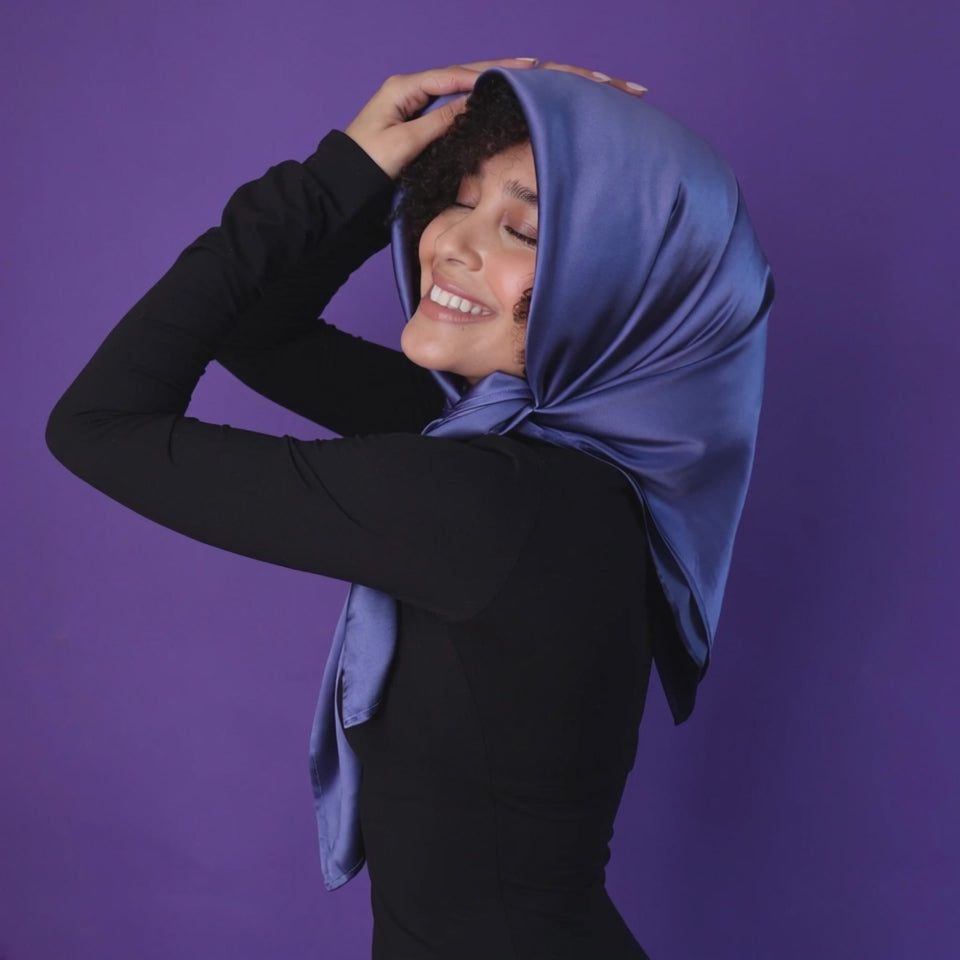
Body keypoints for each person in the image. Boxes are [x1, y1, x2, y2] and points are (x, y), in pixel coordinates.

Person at [46, 59, 774, 960]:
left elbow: (97, 426)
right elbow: (259, 332)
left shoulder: (488, 500)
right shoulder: (546, 465)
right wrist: (372, 172)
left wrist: (334, 179)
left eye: (523, 229)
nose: (451, 241)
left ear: (624, 288)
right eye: (453, 198)